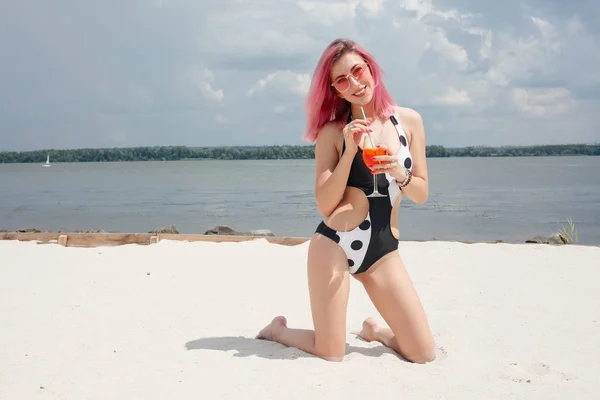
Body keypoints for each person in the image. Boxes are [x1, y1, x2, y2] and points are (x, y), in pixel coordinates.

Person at [257, 38, 436, 363]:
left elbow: (421, 193)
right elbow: (326, 204)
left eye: (358, 71)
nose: (354, 83)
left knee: (423, 353)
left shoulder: (408, 122)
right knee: (331, 352)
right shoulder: (332, 133)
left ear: (371, 69)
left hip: (383, 251)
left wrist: (398, 170)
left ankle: (376, 332)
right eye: (342, 79)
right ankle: (278, 331)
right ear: (335, 91)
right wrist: (349, 151)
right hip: (334, 245)